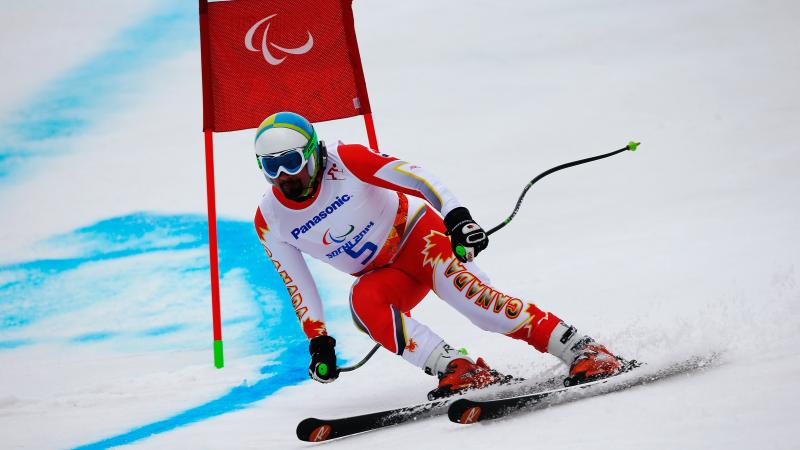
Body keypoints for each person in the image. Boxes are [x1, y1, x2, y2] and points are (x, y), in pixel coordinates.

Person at [253, 111, 628, 399]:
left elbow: (417, 176)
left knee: (480, 308)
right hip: (385, 275)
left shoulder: (346, 160)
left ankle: (583, 349)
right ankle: (459, 368)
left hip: (420, 239)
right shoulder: (270, 219)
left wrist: (457, 218)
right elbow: (296, 283)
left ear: (313, 153)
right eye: (271, 167)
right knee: (364, 305)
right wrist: (318, 339)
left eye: (292, 161)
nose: (284, 175)